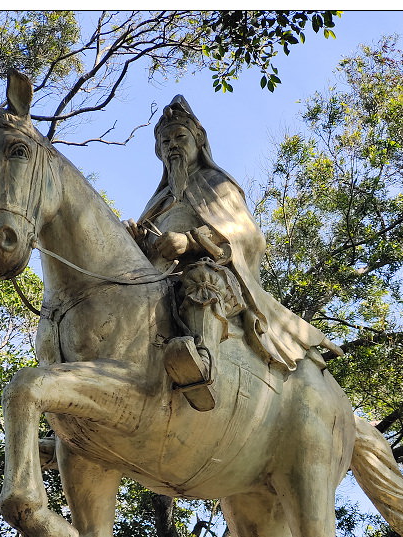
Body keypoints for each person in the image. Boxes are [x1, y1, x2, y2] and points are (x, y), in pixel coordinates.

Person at [124, 96, 342, 411]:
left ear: (197, 142)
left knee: (201, 279)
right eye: (165, 141)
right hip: (160, 277)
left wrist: (190, 241)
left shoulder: (216, 182)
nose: (173, 145)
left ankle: (202, 361)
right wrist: (138, 240)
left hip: (212, 272)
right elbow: (152, 249)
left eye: (180, 138)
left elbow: (246, 234)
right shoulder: (158, 200)